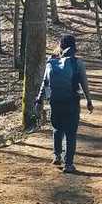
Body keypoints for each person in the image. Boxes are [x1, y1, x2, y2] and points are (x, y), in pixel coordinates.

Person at [34, 34, 93, 173]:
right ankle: (68, 164)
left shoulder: (51, 62)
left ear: (60, 46)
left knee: (57, 129)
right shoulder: (77, 63)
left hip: (55, 102)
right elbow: (84, 84)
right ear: (74, 47)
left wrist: (39, 100)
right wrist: (89, 101)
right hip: (71, 102)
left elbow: (44, 83)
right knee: (71, 133)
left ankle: (57, 156)